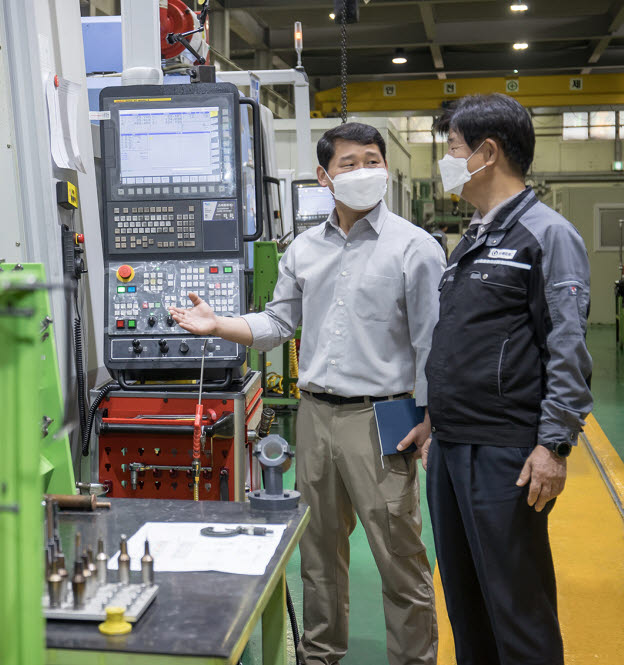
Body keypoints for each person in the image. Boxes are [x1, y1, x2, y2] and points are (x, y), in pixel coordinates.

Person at [169, 122, 443, 665]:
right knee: (318, 556)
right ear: (324, 176)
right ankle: (320, 656)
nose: (363, 171)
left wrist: (434, 420)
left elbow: (434, 343)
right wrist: (220, 324)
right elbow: (278, 322)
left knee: (399, 557)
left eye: (372, 160)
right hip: (316, 416)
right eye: (349, 163)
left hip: (385, 416)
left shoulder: (416, 248)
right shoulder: (303, 250)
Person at [419, 93, 592, 665]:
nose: (444, 160)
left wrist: (554, 444)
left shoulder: (547, 234)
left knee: (516, 607)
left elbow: (566, 346)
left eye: (451, 149)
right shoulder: (474, 236)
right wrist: (433, 421)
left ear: (486, 153)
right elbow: (464, 340)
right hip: (451, 444)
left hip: (505, 453)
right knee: (466, 606)